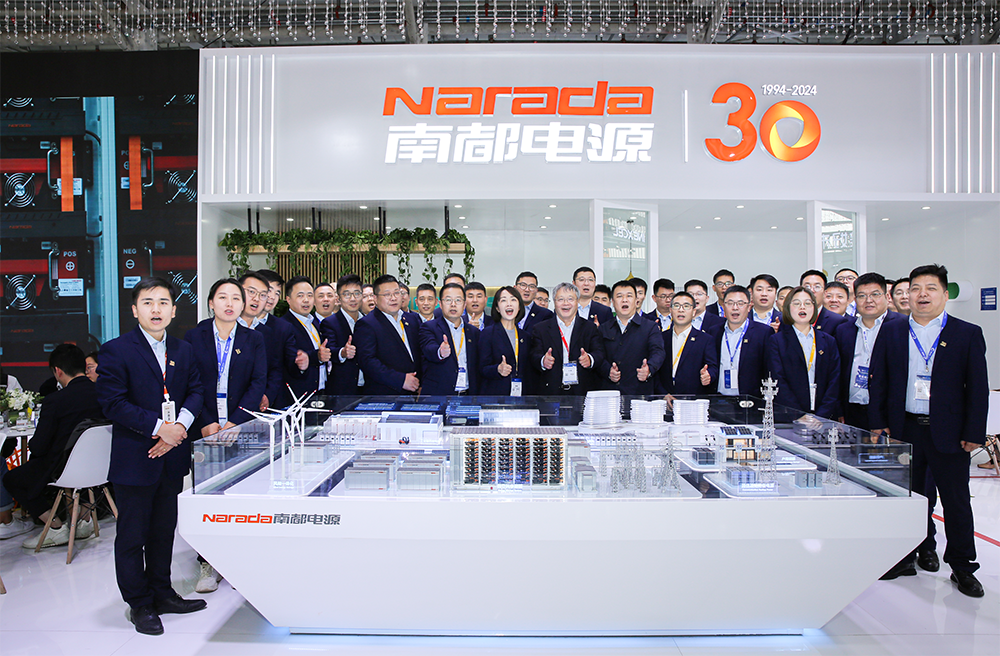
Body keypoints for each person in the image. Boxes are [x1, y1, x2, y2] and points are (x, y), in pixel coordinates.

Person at [96, 277, 206, 635]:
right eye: (148, 302)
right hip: (136, 457)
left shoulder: (183, 349)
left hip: (171, 456)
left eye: (163, 303)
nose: (156, 309)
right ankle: (139, 603)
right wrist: (161, 428)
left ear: (174, 310)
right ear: (134, 310)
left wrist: (178, 429)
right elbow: (112, 403)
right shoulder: (116, 350)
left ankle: (162, 593)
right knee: (132, 536)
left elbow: (196, 392)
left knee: (162, 532)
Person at [869, 264, 987, 597]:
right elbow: (879, 379)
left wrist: (974, 432)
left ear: (945, 294)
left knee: (956, 501)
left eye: (930, 288)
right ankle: (910, 554)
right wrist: (879, 422)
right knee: (909, 499)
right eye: (916, 288)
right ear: (906, 295)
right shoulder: (892, 331)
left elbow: (978, 387)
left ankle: (963, 566)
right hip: (904, 428)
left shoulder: (966, 333)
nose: (922, 295)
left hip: (949, 431)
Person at [183, 278, 266, 594]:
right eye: (222, 297)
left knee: (241, 491)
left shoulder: (253, 339)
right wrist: (205, 421)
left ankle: (240, 560)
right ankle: (208, 562)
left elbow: (257, 383)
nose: (229, 303)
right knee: (207, 494)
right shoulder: (194, 337)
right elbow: (189, 383)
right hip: (205, 425)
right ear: (210, 303)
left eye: (236, 298)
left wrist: (236, 422)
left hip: (239, 425)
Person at [2, 344, 104, 544]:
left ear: (58, 371)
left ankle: (55, 526)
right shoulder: (105, 394)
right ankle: (83, 520)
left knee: (13, 479)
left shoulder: (55, 400)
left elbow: (38, 446)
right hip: (101, 467)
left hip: (63, 469)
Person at [833, 273, 900, 430]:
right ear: (855, 299)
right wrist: (839, 409)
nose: (868, 300)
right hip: (852, 411)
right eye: (862, 296)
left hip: (888, 412)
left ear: (887, 297)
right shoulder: (844, 330)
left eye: (875, 294)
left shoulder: (900, 326)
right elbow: (838, 373)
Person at [767, 287, 840, 419]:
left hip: (823, 417)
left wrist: (822, 415)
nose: (802, 307)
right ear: (788, 308)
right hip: (789, 415)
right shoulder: (777, 341)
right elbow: (778, 380)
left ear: (814, 308)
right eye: (796, 303)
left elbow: (834, 381)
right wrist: (799, 415)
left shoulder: (828, 341)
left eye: (807, 303)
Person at [530, 282, 603, 396]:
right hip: (550, 391)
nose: (565, 303)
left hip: (581, 391)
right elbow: (534, 354)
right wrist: (543, 361)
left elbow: (599, 352)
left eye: (570, 299)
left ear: (577, 302)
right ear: (554, 302)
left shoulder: (589, 327)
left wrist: (590, 359)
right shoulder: (540, 328)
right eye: (560, 299)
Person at [354, 274, 422, 395]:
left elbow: (420, 354)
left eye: (397, 293)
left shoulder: (413, 319)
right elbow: (367, 362)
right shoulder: (366, 324)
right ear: (375, 298)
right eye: (387, 294)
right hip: (385, 394)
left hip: (415, 391)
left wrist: (422, 383)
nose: (393, 298)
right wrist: (400, 380)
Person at [238, 271, 296, 412]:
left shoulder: (269, 332)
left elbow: (275, 369)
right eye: (268, 291)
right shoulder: (222, 327)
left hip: (259, 405)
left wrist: (267, 395)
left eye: (277, 293)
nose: (271, 297)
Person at [596, 280, 665, 396]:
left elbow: (658, 352)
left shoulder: (650, 327)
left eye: (629, 296)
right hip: (610, 394)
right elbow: (598, 355)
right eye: (619, 296)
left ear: (636, 301)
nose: (624, 300)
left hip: (639, 394)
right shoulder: (603, 328)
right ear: (612, 302)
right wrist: (608, 371)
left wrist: (649, 369)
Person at [705, 286, 771, 398]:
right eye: (730, 303)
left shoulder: (763, 332)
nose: (735, 308)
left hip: (750, 399)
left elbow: (768, 369)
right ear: (723, 306)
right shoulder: (713, 331)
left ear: (749, 307)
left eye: (740, 303)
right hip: (719, 398)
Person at [419, 283, 481, 396]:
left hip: (468, 395)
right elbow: (428, 348)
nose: (453, 304)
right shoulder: (429, 327)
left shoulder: (474, 332)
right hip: (439, 395)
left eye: (458, 300)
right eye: (448, 300)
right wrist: (440, 352)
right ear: (440, 304)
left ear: (464, 304)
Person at [656, 291, 717, 396]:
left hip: (693, 399)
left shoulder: (705, 340)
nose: (681, 310)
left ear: (693, 312)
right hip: (665, 399)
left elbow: (713, 367)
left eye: (686, 306)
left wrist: (708, 375)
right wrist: (663, 394)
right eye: (676, 306)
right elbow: (655, 370)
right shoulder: (661, 338)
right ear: (670, 310)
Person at [281, 276, 332, 399]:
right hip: (298, 396)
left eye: (310, 295)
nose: (306, 300)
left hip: (321, 390)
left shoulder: (314, 322)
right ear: (288, 299)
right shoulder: (283, 325)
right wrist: (316, 356)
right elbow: (288, 360)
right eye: (300, 296)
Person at [320, 274, 366, 396]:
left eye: (357, 293)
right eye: (347, 294)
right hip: (343, 389)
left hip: (369, 387)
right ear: (338, 299)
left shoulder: (369, 322)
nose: (353, 299)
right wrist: (343, 352)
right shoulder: (330, 323)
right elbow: (329, 350)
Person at [479, 287, 530, 396]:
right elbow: (482, 368)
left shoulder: (525, 336)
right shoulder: (488, 333)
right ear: (497, 308)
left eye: (513, 299)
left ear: (519, 307)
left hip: (521, 395)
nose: (509, 304)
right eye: (503, 300)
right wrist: (497, 369)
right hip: (496, 395)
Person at [800, 270, 846, 335]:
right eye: (807, 287)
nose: (812, 290)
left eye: (817, 287)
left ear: (825, 293)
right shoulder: (791, 318)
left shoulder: (837, 321)